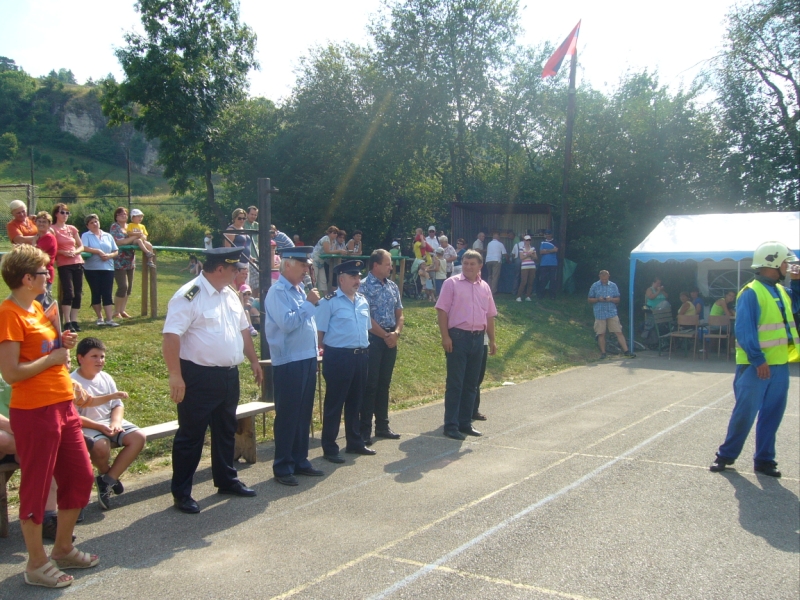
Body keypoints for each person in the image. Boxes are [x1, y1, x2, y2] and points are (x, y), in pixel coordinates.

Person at [0, 244, 97, 588]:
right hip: (34, 411)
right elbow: (11, 373)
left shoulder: (39, 308)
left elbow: (48, 354)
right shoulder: (9, 313)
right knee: (37, 487)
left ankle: (63, 548)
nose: (49, 276)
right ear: (27, 278)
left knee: (81, 476)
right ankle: (36, 564)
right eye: (44, 272)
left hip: (62, 405)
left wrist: (63, 353)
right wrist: (52, 359)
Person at [162, 247, 264, 514]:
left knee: (225, 430)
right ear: (220, 269)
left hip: (228, 374)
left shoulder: (229, 293)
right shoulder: (189, 295)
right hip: (198, 376)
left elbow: (243, 330)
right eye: (234, 269)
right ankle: (182, 493)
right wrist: (175, 375)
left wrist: (253, 360)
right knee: (191, 436)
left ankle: (226, 479)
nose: (238, 274)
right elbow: (171, 336)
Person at [710, 241, 800, 478]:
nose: (788, 266)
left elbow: (795, 306)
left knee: (772, 415)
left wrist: (797, 282)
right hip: (756, 366)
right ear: (773, 262)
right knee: (745, 413)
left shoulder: (780, 290)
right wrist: (758, 360)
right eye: (785, 262)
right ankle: (725, 455)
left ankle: (764, 460)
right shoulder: (751, 292)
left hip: (779, 365)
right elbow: (745, 330)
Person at [264, 246, 324, 486]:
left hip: (306, 358)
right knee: (288, 415)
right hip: (289, 361)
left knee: (303, 413)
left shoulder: (300, 291)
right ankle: (283, 465)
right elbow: (287, 324)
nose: (306, 270)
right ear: (287, 265)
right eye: (302, 265)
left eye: (307, 266)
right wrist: (309, 304)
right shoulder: (277, 292)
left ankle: (300, 460)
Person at [71, 337, 146, 510]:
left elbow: (117, 405)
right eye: (94, 356)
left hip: (108, 421)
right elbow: (73, 417)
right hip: (87, 425)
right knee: (100, 446)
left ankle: (108, 480)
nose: (100, 361)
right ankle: (106, 474)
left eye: (102, 356)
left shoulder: (105, 377)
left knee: (138, 437)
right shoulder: (72, 381)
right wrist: (99, 427)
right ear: (80, 358)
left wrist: (116, 422)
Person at [435, 249, 497, 440]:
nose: (468, 267)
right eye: (466, 263)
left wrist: (492, 340)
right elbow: (442, 311)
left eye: (472, 264)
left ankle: (465, 422)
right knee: (456, 383)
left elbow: (489, 315)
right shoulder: (451, 283)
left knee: (471, 383)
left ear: (480, 266)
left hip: (478, 339)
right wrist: (445, 337)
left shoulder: (484, 287)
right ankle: (451, 425)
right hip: (458, 337)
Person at [316, 259, 374, 463]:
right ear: (341, 279)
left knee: (356, 402)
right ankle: (330, 447)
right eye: (353, 276)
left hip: (361, 356)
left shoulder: (363, 300)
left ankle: (354, 442)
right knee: (335, 402)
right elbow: (320, 333)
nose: (357, 280)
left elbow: (366, 328)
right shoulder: (328, 302)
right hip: (339, 357)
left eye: (358, 276)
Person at [360, 249, 404, 445]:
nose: (390, 268)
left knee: (384, 383)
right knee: (370, 385)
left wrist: (396, 333)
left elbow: (399, 314)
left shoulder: (392, 286)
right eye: (387, 264)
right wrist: (385, 335)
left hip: (391, 338)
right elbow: (365, 318)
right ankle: (364, 430)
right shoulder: (363, 286)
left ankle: (382, 426)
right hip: (373, 339)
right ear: (375, 265)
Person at [81, 214, 120, 327]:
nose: (95, 224)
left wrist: (109, 256)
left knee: (107, 293)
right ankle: (100, 317)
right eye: (91, 222)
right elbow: (84, 247)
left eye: (96, 221)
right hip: (92, 269)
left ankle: (109, 319)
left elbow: (115, 250)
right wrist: (98, 251)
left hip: (108, 268)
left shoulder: (108, 235)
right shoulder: (86, 235)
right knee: (96, 293)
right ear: (87, 226)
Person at [51, 203, 84, 332]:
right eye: (62, 212)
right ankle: (67, 321)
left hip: (77, 262)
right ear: (56, 214)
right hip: (64, 264)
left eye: (67, 212)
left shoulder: (72, 228)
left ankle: (74, 320)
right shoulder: (52, 229)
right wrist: (63, 252)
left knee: (78, 293)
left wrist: (75, 252)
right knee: (69, 292)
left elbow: (81, 246)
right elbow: (52, 247)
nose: (65, 215)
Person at [588, 270, 636, 360]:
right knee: (601, 333)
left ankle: (626, 351)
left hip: (612, 312)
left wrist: (611, 299)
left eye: (606, 279)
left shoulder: (613, 285)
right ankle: (603, 353)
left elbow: (618, 299)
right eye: (602, 279)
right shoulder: (595, 285)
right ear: (599, 277)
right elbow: (590, 299)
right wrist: (598, 299)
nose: (604, 281)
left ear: (608, 277)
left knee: (618, 331)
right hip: (599, 312)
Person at [110, 207, 140, 320]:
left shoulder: (131, 226)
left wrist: (138, 236)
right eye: (121, 214)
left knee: (129, 288)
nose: (124, 215)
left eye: (125, 214)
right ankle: (116, 311)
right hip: (119, 261)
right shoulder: (115, 227)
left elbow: (141, 236)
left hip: (130, 261)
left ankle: (122, 310)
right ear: (116, 216)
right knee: (123, 286)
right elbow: (119, 242)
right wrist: (135, 236)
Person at [311, 225, 342, 293]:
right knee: (314, 279)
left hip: (321, 262)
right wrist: (339, 251)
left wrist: (341, 252)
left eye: (336, 233)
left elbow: (333, 252)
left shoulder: (334, 241)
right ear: (329, 233)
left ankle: (326, 297)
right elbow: (327, 251)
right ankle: (311, 295)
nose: (336, 235)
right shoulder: (326, 238)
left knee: (323, 281)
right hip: (314, 260)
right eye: (334, 233)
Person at [33, 211, 57, 299]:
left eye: (44, 222)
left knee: (44, 300)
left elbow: (36, 255)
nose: (41, 224)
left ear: (49, 224)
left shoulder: (49, 238)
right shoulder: (38, 236)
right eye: (39, 221)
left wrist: (33, 243)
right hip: (36, 272)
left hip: (45, 272)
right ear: (35, 222)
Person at [223, 208, 251, 282]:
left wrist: (250, 257)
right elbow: (227, 248)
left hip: (246, 262)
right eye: (239, 218)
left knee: (245, 285)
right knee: (237, 284)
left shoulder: (243, 229)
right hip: (237, 262)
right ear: (234, 218)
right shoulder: (231, 230)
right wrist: (233, 264)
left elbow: (246, 245)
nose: (242, 220)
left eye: (244, 218)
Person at [515, 235, 537, 301]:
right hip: (524, 266)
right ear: (524, 241)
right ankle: (519, 296)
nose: (528, 241)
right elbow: (521, 257)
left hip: (532, 266)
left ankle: (528, 296)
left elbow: (536, 257)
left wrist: (531, 255)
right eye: (527, 240)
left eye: (529, 240)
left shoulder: (533, 248)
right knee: (523, 281)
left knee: (531, 281)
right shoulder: (521, 248)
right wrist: (528, 255)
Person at [537, 230, 559, 299]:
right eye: (546, 234)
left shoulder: (555, 242)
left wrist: (546, 250)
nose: (548, 235)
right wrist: (551, 250)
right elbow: (541, 252)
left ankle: (552, 295)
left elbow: (556, 250)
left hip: (553, 263)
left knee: (553, 280)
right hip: (543, 263)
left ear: (551, 235)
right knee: (543, 279)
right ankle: (541, 294)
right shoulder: (543, 242)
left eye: (549, 234)